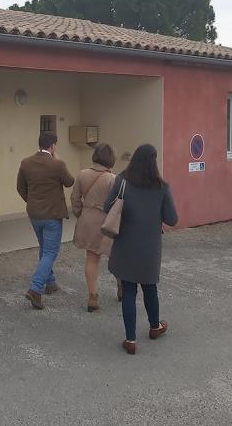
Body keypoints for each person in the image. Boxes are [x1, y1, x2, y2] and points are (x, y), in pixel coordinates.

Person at [104, 144, 178, 355]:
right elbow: (172, 219)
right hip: (149, 248)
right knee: (149, 288)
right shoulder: (162, 187)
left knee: (128, 291)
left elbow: (107, 207)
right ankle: (155, 327)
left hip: (126, 243)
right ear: (154, 161)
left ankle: (130, 340)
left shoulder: (122, 182)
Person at [16, 131, 75, 309]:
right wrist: (58, 159)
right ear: (53, 146)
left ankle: (50, 282)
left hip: (35, 214)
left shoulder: (26, 163)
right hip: (52, 215)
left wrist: (32, 202)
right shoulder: (57, 164)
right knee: (50, 252)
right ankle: (35, 289)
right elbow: (70, 181)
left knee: (45, 248)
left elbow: (20, 188)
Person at [71, 142, 122, 312]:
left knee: (92, 259)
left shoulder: (82, 174)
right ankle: (121, 287)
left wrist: (80, 213)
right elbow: (119, 204)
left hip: (87, 220)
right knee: (115, 258)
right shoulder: (114, 179)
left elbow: (75, 199)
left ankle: (92, 296)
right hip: (107, 223)